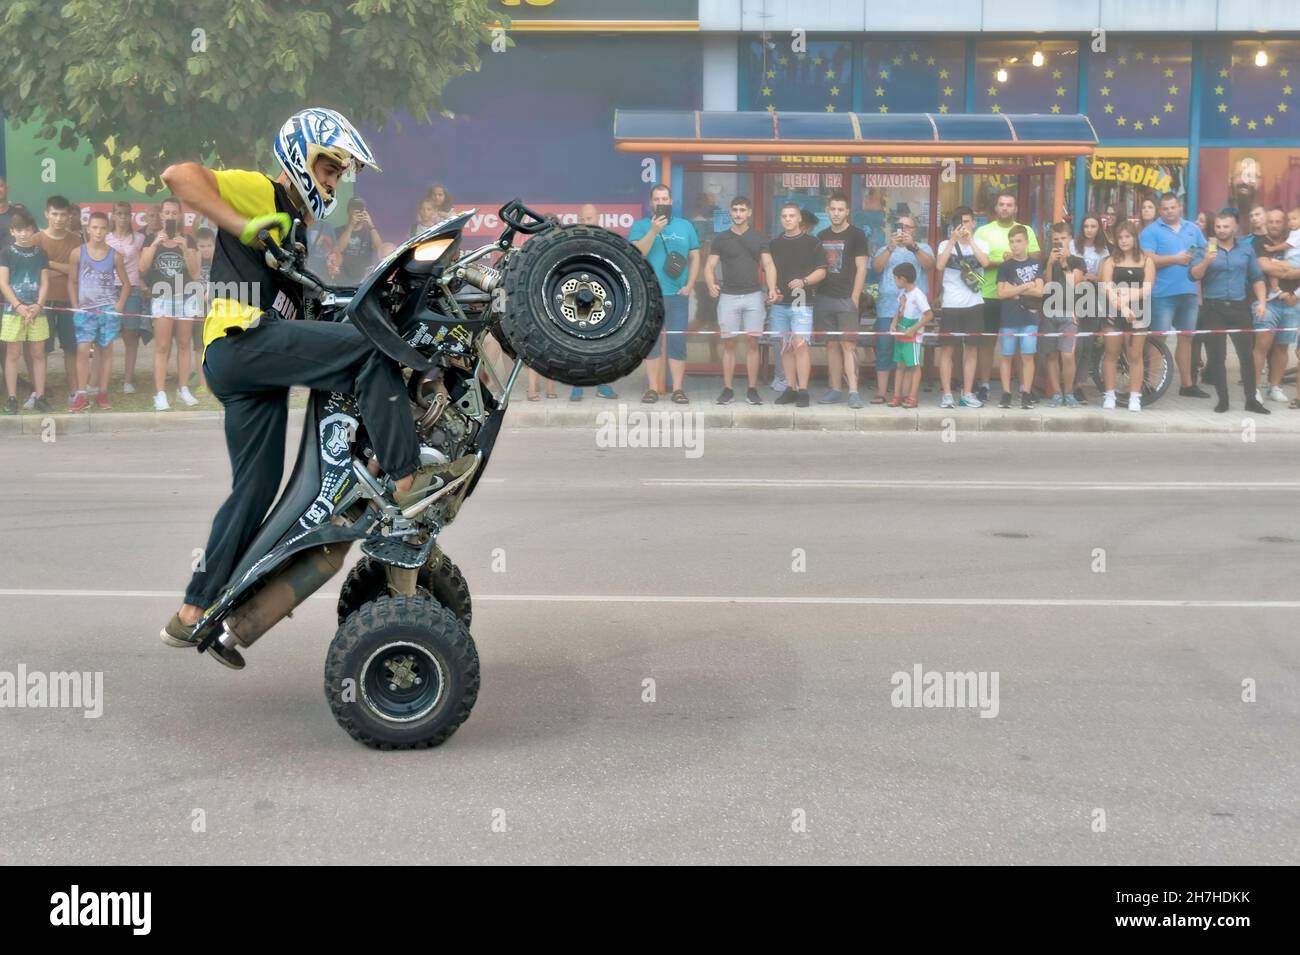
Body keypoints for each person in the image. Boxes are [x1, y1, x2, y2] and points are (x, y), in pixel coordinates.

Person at [157, 107, 442, 656]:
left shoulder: (297, 235)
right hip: (243, 341)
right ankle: (405, 477)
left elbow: (311, 312)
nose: (332, 181)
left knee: (256, 489)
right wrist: (241, 223)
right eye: (328, 167)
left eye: (339, 173)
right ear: (299, 155)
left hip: (247, 368)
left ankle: (199, 608)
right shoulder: (263, 194)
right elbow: (178, 176)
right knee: (367, 354)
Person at [1190, 210, 1269, 414]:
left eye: (1226, 226)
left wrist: (1262, 302)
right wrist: (1207, 260)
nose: (1222, 230)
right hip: (1213, 307)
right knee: (1217, 356)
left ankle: (1251, 400)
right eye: (1218, 226)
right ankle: (1223, 399)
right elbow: (1193, 275)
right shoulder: (1206, 247)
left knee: (1247, 355)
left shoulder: (1246, 248)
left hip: (1239, 306)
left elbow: (1257, 276)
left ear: (1235, 227)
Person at [630, 183, 699, 404]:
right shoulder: (641, 226)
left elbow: (695, 257)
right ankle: (652, 389)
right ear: (651, 203)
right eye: (657, 199)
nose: (661, 202)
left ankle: (678, 389)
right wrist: (653, 231)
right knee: (652, 344)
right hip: (651, 296)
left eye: (664, 199)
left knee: (678, 342)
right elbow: (637, 253)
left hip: (678, 296)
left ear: (671, 201)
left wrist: (689, 285)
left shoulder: (685, 226)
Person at [707, 195, 775, 406]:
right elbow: (709, 267)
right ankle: (727, 389)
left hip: (754, 296)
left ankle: (752, 390)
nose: (738, 213)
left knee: (753, 343)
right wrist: (711, 283)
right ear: (730, 212)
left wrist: (772, 288)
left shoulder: (759, 237)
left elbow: (769, 265)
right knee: (729, 344)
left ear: (749, 213)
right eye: (735, 209)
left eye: (742, 210)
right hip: (728, 296)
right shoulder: (721, 238)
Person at [973, 191, 1038, 403]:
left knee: (1021, 344)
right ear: (996, 208)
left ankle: (1023, 388)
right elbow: (975, 261)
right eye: (1001, 204)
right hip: (989, 293)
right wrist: (1001, 262)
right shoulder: (983, 231)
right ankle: (984, 385)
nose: (1005, 208)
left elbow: (1036, 258)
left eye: (1009, 205)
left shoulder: (1025, 230)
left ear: (1016, 208)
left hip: (1021, 298)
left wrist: (1016, 260)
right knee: (988, 343)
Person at [1140, 192, 1206, 397]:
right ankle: (1149, 384)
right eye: (1165, 208)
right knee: (1158, 340)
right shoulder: (1151, 231)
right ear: (1160, 210)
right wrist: (1175, 259)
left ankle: (1187, 385)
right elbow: (1147, 259)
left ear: (1180, 208)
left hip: (1189, 292)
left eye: (1172, 207)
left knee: (1186, 339)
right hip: (1162, 293)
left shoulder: (1193, 229)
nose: (1169, 211)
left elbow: (1203, 253)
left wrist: (1199, 288)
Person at [141, 197, 200, 410]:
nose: (170, 216)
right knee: (162, 346)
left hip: (184, 297)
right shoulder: (150, 240)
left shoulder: (189, 240)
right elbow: (142, 268)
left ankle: (183, 388)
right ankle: (160, 394)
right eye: (167, 212)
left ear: (180, 215)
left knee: (184, 344)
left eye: (174, 213)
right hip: (162, 298)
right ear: (161, 215)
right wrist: (156, 243)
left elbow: (194, 273)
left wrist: (185, 249)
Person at [67, 212, 129, 410]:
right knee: (83, 350)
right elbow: (71, 281)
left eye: (102, 228)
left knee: (106, 351)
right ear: (88, 228)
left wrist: (119, 305)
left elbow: (126, 284)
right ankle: (82, 393)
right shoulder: (78, 253)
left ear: (107, 230)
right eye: (95, 227)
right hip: (84, 311)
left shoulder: (114, 255)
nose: (98, 232)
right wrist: (75, 304)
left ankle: (102, 392)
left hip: (107, 311)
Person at [870, 212, 934, 403]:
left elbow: (930, 265)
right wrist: (891, 248)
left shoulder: (923, 247)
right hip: (887, 309)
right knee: (884, 349)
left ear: (914, 231)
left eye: (907, 227)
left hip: (912, 314)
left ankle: (905, 395)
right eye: (900, 226)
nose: (903, 230)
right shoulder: (885, 248)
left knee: (906, 357)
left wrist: (912, 247)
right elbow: (876, 268)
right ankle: (882, 393)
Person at [814, 192, 869, 409]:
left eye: (840, 209)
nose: (836, 213)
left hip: (847, 298)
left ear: (847, 212)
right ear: (828, 211)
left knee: (848, 345)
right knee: (831, 345)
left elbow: (862, 267)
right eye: (833, 209)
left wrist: (855, 296)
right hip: (825, 297)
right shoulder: (822, 235)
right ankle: (835, 389)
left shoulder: (857, 235)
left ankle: (854, 391)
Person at [768, 202, 826, 408]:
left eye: (792, 215)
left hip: (802, 298)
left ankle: (803, 390)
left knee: (800, 346)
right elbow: (769, 269)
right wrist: (772, 289)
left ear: (800, 218)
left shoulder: (813, 242)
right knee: (785, 347)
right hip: (780, 301)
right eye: (784, 216)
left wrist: (805, 281)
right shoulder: (774, 244)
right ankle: (789, 388)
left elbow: (822, 271)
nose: (788, 219)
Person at [934, 206, 989, 408]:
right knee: (947, 350)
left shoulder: (981, 243)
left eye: (967, 222)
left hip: (974, 303)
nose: (964, 226)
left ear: (973, 223)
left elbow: (985, 261)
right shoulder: (944, 244)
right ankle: (947, 394)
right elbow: (939, 266)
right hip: (951, 304)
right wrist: (953, 240)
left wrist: (970, 241)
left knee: (972, 350)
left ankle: (967, 393)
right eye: (960, 223)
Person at [0, 207, 51, 413]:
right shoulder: (5, 253)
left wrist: (38, 306)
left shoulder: (41, 254)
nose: (23, 233)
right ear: (12, 231)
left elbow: (45, 283)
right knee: (13, 354)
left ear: (33, 231)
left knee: (38, 353)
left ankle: (40, 396)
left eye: (27, 229)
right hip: (14, 312)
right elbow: (3, 283)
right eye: (18, 230)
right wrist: (19, 306)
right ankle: (12, 398)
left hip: (37, 311)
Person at [1099, 222, 1154, 412]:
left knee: (1135, 355)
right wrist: (1123, 308)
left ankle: (1135, 396)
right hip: (1115, 311)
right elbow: (1107, 288)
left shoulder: (1146, 261)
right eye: (1120, 237)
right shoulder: (1110, 261)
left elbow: (1147, 288)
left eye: (1127, 237)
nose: (1123, 241)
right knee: (1112, 354)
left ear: (1135, 238)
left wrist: (1129, 298)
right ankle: (1109, 394)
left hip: (1139, 311)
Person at [35, 196, 81, 409]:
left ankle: (74, 393)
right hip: (41, 303)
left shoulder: (76, 241)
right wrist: (61, 270)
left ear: (69, 216)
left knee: (71, 350)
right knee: (40, 351)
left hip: (68, 302)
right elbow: (35, 272)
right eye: (54, 214)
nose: (59, 219)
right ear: (46, 214)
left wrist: (49, 264)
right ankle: (39, 395)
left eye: (63, 215)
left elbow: (77, 271)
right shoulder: (36, 239)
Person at [568, 203, 618, 401]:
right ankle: (577, 386)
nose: (585, 222)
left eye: (589, 218)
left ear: (598, 218)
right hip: (577, 298)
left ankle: (602, 385)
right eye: (582, 219)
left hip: (601, 298)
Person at [1251, 208, 1300, 403]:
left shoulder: (1294, 240)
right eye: (1270, 221)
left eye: (1278, 221)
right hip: (1267, 302)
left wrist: (1286, 272)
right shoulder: (1259, 242)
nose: (1274, 225)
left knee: (1282, 347)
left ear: (1285, 223)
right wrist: (1291, 271)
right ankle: (1253, 389)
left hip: (1291, 301)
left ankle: (1275, 387)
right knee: (1262, 344)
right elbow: (1265, 267)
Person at [995, 225, 1043, 410]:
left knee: (1028, 355)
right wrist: (1024, 288)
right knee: (1006, 355)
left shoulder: (1036, 264)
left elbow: (1040, 291)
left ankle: (1026, 392)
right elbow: (1001, 293)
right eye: (1012, 242)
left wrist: (1013, 290)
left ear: (1027, 242)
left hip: (1030, 318)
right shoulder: (1005, 266)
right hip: (1009, 317)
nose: (1015, 245)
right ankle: (1006, 393)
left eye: (1019, 241)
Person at [1040, 222, 1086, 407]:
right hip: (1049, 311)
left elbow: (1073, 283)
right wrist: (1051, 264)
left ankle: (1069, 392)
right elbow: (1047, 284)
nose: (1059, 243)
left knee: (1067, 355)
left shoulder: (1077, 261)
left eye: (1063, 239)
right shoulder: (1047, 259)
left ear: (1070, 239)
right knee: (1051, 354)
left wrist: (1065, 263)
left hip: (1069, 312)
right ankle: (1057, 393)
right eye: (1056, 240)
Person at [107, 201, 149, 394]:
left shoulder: (139, 238)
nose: (123, 218)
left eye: (126, 214)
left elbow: (142, 266)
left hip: (131, 290)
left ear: (130, 216)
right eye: (119, 214)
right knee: (104, 337)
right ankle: (99, 381)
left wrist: (142, 283)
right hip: (108, 290)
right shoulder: (105, 237)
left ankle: (128, 380)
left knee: (130, 336)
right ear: (113, 216)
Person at [1069, 214, 1110, 402]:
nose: (1089, 230)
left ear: (1098, 228)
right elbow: (1071, 274)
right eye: (1086, 226)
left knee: (1086, 344)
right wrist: (1086, 276)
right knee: (1074, 344)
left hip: (1094, 297)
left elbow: (1102, 276)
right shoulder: (1072, 246)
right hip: (1073, 295)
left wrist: (1087, 276)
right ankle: (1068, 383)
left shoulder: (1103, 250)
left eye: (1093, 226)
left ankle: (1079, 385)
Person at [888, 262, 932, 408]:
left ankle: (912, 397)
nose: (894, 281)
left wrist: (914, 329)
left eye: (895, 278)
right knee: (900, 366)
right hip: (901, 333)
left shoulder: (918, 295)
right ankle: (897, 395)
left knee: (914, 366)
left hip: (912, 337)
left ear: (903, 279)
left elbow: (928, 315)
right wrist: (894, 323)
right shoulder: (903, 293)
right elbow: (899, 310)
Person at [331, 197, 382, 286]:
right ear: (348, 211)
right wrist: (351, 225)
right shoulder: (338, 231)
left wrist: (371, 225)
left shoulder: (371, 232)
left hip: (364, 282)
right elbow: (338, 250)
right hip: (342, 282)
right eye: (355, 209)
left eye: (361, 209)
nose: (358, 212)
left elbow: (380, 251)